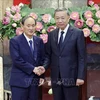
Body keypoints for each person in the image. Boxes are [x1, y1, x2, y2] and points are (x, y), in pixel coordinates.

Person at [38, 8, 86, 100]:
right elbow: (48, 55)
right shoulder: (51, 34)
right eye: (57, 18)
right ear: (54, 19)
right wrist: (44, 67)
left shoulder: (77, 33)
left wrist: (80, 77)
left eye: (63, 18)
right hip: (56, 77)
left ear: (68, 18)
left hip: (71, 77)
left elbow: (82, 57)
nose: (60, 20)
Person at [9, 16, 45, 100]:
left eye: (33, 25)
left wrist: (41, 76)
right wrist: (33, 69)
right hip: (19, 83)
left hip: (34, 82)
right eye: (28, 26)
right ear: (22, 26)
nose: (31, 28)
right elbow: (17, 60)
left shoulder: (39, 41)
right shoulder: (15, 41)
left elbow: (41, 59)